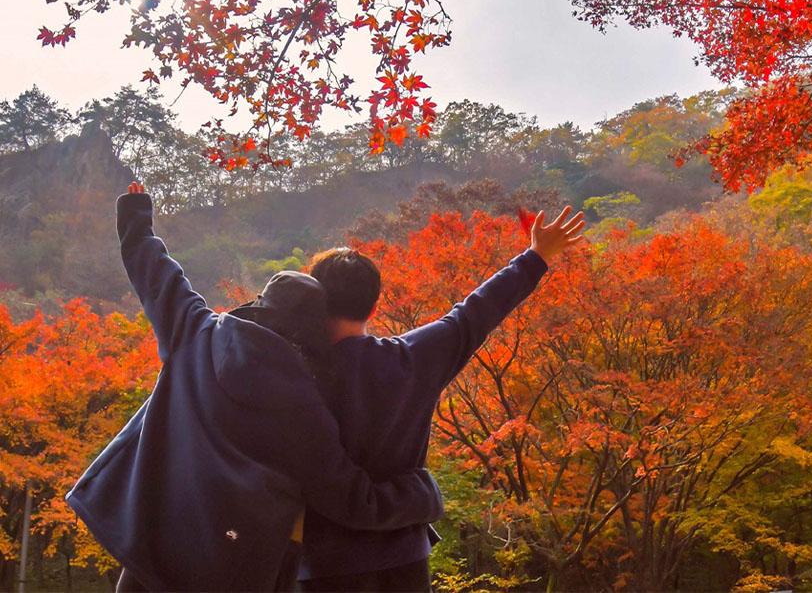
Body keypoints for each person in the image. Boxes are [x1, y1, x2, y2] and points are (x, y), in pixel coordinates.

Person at [67, 182, 446, 591]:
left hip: (155, 539)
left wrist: (136, 213)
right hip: (236, 565)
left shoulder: (197, 329)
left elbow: (154, 273)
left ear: (258, 305)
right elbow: (350, 498)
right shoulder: (303, 401)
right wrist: (421, 496)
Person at [298, 205, 587, 592]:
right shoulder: (410, 360)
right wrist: (536, 256)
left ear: (316, 302)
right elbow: (474, 313)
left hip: (325, 565)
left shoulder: (292, 373)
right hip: (404, 555)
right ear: (373, 305)